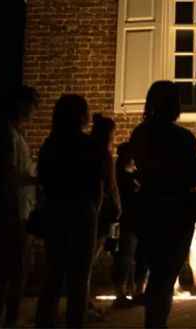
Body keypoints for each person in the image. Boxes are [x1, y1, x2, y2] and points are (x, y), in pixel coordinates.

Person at [128, 81, 196, 328]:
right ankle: (157, 322)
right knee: (167, 272)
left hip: (149, 207)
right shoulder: (183, 137)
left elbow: (137, 167)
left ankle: (154, 321)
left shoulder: (140, 133)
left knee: (157, 272)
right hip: (178, 210)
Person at [35, 94, 106, 328]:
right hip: (82, 211)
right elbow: (98, 179)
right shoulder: (87, 145)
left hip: (56, 208)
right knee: (79, 278)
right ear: (81, 116)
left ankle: (44, 322)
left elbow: (43, 179)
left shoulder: (50, 144)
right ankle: (74, 322)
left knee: (53, 275)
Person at [0, 86, 39, 328]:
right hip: (13, 212)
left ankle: (3, 320)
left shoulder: (15, 134)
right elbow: (8, 175)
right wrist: (35, 178)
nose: (32, 111)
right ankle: (6, 321)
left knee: (10, 272)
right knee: (13, 272)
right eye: (30, 105)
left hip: (17, 210)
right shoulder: (8, 136)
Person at [87, 113, 122, 319]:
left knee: (86, 259)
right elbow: (111, 184)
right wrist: (118, 207)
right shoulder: (104, 155)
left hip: (87, 208)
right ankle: (84, 304)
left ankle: (85, 302)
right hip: (99, 211)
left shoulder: (85, 150)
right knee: (89, 259)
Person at [111, 141, 142, 308]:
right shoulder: (124, 177)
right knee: (124, 256)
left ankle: (127, 291)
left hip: (130, 220)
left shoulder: (126, 175)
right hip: (126, 220)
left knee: (128, 257)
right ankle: (121, 293)